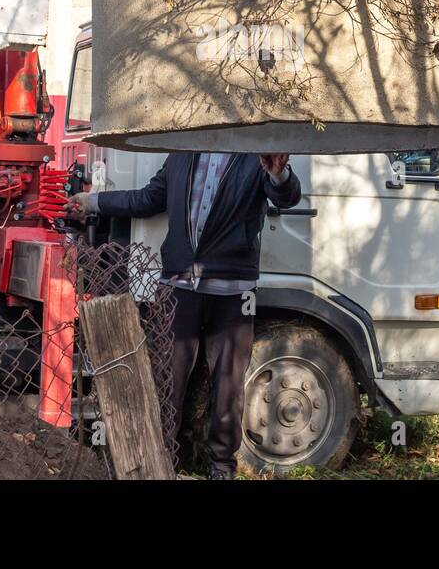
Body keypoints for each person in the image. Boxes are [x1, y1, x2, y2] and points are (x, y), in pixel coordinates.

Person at [66, 152, 301, 478]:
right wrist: (93, 203)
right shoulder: (181, 152)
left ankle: (221, 467)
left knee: (228, 385)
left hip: (234, 290)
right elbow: (148, 199)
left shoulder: (253, 154)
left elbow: (286, 197)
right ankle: (163, 461)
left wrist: (279, 175)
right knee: (167, 381)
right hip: (177, 284)